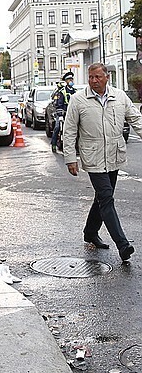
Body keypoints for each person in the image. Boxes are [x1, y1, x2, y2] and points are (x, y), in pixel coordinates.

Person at [63, 63, 142, 261]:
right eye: (91, 77)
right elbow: (70, 130)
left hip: (114, 155)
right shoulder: (78, 99)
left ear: (107, 77)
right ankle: (123, 245)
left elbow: (136, 119)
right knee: (107, 198)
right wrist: (70, 158)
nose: (94, 80)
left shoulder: (120, 96)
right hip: (93, 156)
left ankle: (90, 232)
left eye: (98, 77)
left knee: (102, 197)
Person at [50, 71, 76, 153]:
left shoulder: (75, 91)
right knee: (57, 127)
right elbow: (59, 104)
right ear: (66, 81)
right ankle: (54, 144)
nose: (71, 81)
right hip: (63, 113)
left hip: (72, 114)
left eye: (72, 79)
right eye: (69, 79)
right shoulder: (62, 92)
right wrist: (60, 115)